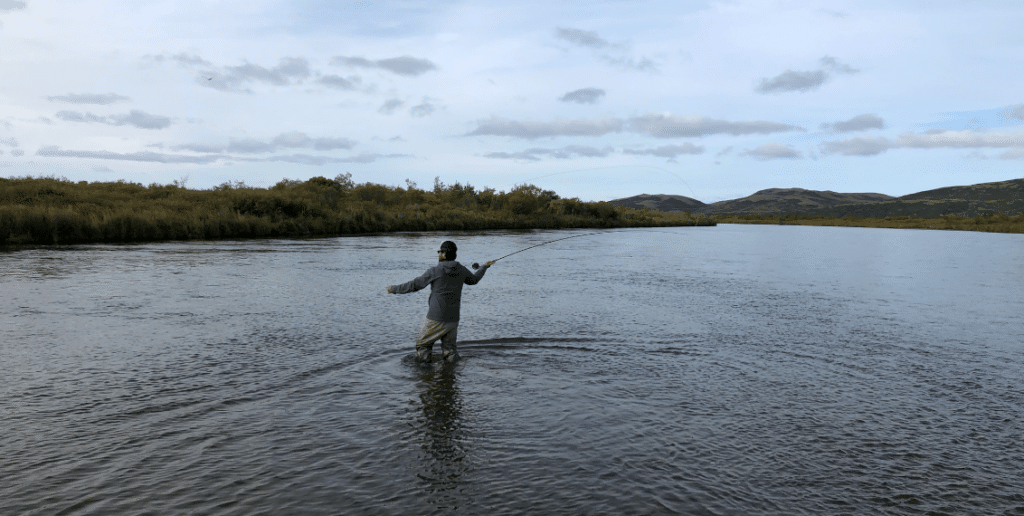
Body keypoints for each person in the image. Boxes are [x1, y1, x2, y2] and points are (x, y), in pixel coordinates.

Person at [387, 241, 495, 363]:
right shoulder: (461, 270)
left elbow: (415, 285)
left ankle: (425, 375)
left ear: (444, 254)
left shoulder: (435, 271)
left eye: (439, 252)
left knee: (422, 344)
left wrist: (394, 289)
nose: (438, 254)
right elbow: (474, 280)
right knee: (450, 352)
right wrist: (484, 267)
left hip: (435, 317)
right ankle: (450, 376)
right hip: (453, 319)